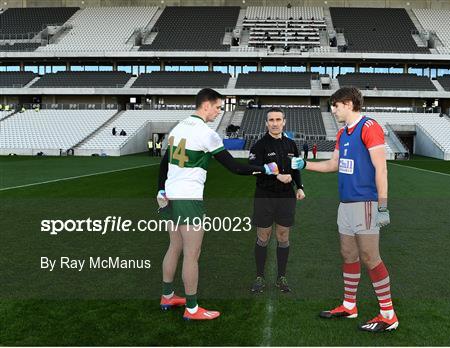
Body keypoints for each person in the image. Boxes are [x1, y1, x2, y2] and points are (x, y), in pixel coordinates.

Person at [157, 88, 279, 320]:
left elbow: (164, 163)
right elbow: (235, 167)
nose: (219, 112)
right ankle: (192, 308)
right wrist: (264, 169)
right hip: (189, 199)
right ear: (206, 105)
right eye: (218, 107)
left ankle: (167, 295)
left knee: (174, 247)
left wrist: (160, 188)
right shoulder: (206, 132)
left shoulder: (179, 127)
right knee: (192, 253)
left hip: (170, 196)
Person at [291, 87, 398, 332]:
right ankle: (350, 305)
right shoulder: (342, 133)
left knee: (371, 257)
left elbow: (381, 169)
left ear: (348, 104)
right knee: (348, 255)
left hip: (366, 204)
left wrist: (382, 206)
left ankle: (388, 314)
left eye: (335, 105)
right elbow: (333, 164)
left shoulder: (369, 127)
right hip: (346, 204)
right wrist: (304, 164)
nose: (333, 110)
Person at [248, 108, 305, 293]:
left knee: (283, 236)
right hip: (265, 196)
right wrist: (276, 175)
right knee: (263, 236)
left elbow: (296, 168)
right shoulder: (259, 145)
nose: (274, 123)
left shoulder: (291, 144)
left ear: (284, 122)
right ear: (266, 123)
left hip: (286, 197)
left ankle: (281, 276)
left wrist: (300, 187)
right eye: (271, 120)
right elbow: (253, 168)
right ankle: (259, 276)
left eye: (278, 119)